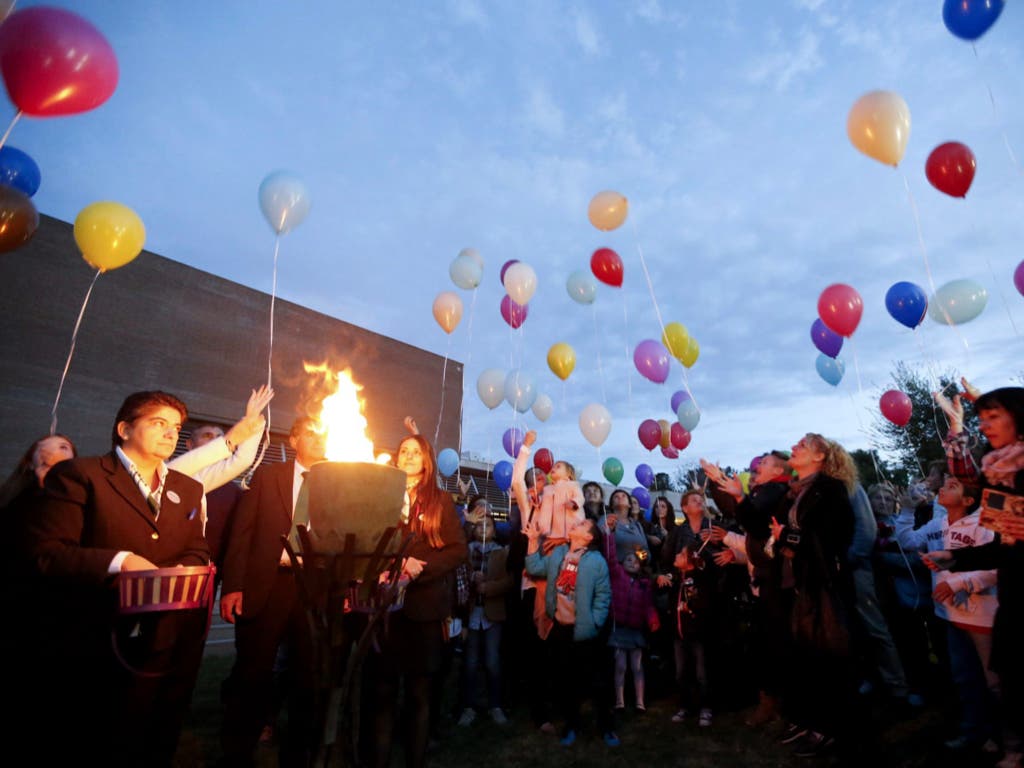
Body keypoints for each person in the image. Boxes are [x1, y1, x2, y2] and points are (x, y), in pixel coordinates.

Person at [26, 391, 210, 767]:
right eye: (158, 423)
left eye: (176, 427)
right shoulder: (82, 475)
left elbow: (197, 549)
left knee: (155, 734)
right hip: (95, 637)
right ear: (125, 429)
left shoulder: (187, 488)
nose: (170, 434)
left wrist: (184, 568)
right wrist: (121, 561)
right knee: (99, 736)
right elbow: (47, 553)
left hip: (163, 638)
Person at [926, 385, 1024, 768]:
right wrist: (954, 557)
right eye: (981, 419)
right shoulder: (1000, 475)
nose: (984, 426)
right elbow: (1007, 546)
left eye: (994, 416)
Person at [220, 416, 326, 767]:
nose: (319, 439)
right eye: (311, 433)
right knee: (252, 674)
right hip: (267, 584)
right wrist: (233, 586)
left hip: (311, 590)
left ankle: (296, 756)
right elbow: (242, 532)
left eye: (324, 433)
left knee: (306, 676)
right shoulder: (268, 476)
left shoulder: (337, 482)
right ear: (294, 440)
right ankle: (237, 754)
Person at [365, 433, 467, 768]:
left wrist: (419, 567)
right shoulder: (380, 494)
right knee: (382, 692)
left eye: (416, 451)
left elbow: (458, 550)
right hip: (385, 611)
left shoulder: (440, 501)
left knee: (419, 694)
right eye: (403, 450)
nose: (408, 455)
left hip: (424, 609)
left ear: (427, 461)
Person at [769, 434, 857, 758]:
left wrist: (786, 536)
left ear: (819, 457)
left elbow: (828, 538)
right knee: (806, 658)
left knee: (826, 660)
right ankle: (809, 722)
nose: (794, 447)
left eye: (803, 445)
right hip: (800, 584)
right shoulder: (797, 492)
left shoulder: (831, 490)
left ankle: (829, 729)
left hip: (823, 586)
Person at [899, 475, 999, 752]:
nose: (942, 487)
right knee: (964, 677)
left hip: (982, 617)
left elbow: (996, 569)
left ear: (968, 499)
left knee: (994, 681)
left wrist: (959, 582)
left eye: (952, 486)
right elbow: (908, 541)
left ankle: (1005, 738)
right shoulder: (937, 524)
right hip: (950, 614)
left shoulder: (984, 524)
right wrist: (906, 510)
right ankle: (975, 733)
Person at [525, 516, 615, 747]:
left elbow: (603, 596)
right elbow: (534, 567)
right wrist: (533, 541)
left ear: (589, 537)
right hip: (561, 629)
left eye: (583, 524)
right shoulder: (559, 554)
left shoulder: (596, 561)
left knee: (597, 681)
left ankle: (606, 726)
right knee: (566, 680)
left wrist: (594, 622)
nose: (577, 523)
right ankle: (571, 725)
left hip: (586, 630)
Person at [457, 511, 512, 726]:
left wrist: (489, 587)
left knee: (492, 661)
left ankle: (495, 705)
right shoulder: (467, 550)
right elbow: (460, 575)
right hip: (471, 614)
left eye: (487, 525)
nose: (483, 529)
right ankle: (468, 706)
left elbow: (508, 581)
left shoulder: (501, 552)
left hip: (493, 614)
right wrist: (472, 578)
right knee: (470, 662)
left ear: (494, 531)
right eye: (479, 525)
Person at [603, 512, 659, 713]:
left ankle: (639, 701)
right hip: (619, 628)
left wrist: (652, 619)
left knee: (637, 666)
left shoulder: (645, 584)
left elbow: (648, 605)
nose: (631, 562)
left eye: (635, 561)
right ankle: (619, 700)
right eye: (627, 559)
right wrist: (609, 534)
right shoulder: (617, 576)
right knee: (620, 666)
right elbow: (610, 556)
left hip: (636, 630)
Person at [602, 488, 650, 564]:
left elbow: (646, 550)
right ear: (612, 505)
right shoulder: (605, 519)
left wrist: (640, 557)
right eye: (616, 497)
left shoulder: (637, 524)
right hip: (615, 568)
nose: (620, 497)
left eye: (623, 496)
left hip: (638, 567)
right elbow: (599, 543)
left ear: (629, 505)